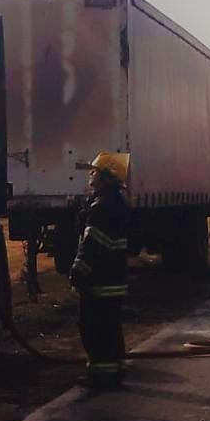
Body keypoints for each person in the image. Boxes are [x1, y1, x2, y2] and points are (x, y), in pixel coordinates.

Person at [69, 152, 130, 389]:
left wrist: (78, 270)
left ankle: (101, 376)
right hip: (113, 280)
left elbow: (92, 245)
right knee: (111, 328)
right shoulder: (115, 203)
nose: (91, 176)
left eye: (95, 172)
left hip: (99, 281)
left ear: (105, 178)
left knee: (95, 329)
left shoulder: (102, 207)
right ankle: (115, 371)